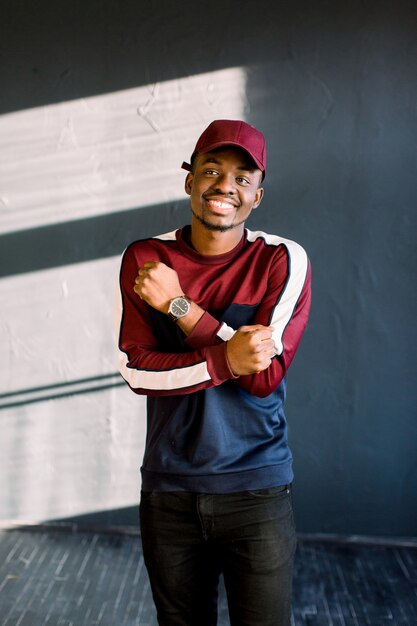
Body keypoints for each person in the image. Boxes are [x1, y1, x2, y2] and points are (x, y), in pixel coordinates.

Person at [115, 119, 312, 626]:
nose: (225, 184)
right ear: (190, 182)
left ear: (257, 196)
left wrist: (180, 308)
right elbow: (139, 372)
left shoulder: (281, 259)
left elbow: (264, 378)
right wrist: (229, 357)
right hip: (169, 490)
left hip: (257, 490)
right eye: (212, 170)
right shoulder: (148, 257)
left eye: (243, 178)